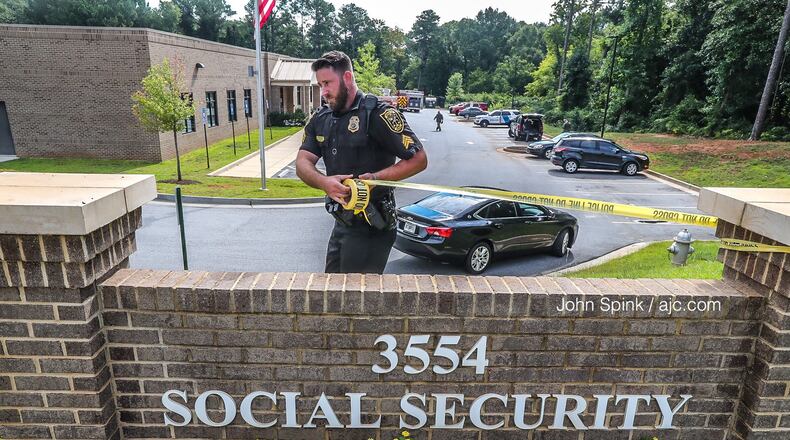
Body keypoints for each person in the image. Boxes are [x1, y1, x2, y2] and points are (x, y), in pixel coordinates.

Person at [296, 51, 428, 274]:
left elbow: (419, 159)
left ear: (347, 78)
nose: (324, 92)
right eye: (320, 85)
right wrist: (323, 182)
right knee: (331, 290)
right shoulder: (322, 118)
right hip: (342, 221)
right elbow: (302, 161)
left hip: (373, 225)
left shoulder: (378, 114)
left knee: (355, 300)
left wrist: (376, 178)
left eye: (328, 83)